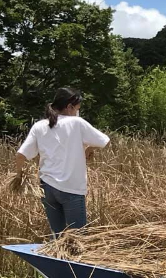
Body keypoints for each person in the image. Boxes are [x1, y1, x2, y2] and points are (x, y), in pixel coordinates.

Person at [12, 87, 110, 236]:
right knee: (78, 239)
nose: (77, 112)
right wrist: (90, 148)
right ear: (69, 107)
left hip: (47, 188)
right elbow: (104, 141)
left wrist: (19, 178)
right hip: (71, 188)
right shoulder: (77, 123)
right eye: (77, 108)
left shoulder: (39, 126)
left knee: (57, 238)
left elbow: (20, 155)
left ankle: (56, 259)